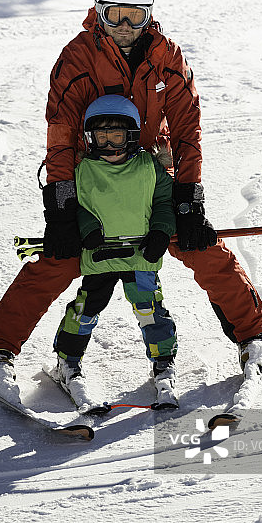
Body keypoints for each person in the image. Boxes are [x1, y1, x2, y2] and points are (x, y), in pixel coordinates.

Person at [0, 0, 262, 392]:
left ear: (149, 15)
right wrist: (61, 208)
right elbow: (60, 135)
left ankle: (252, 335)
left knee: (200, 244)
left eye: (135, 16)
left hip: (148, 173)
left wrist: (188, 198)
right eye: (115, 15)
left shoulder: (167, 57)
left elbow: (187, 131)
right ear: (99, 12)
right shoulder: (77, 58)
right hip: (92, 177)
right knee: (60, 259)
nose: (125, 27)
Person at [51, 94, 178, 413]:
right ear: (89, 138)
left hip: (141, 256)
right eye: (101, 137)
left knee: (149, 308)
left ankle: (163, 365)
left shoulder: (148, 166)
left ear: (132, 136)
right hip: (100, 257)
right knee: (86, 308)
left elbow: (164, 202)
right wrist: (88, 229)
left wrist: (161, 231)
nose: (109, 145)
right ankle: (67, 363)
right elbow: (78, 206)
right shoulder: (84, 170)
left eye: (117, 136)